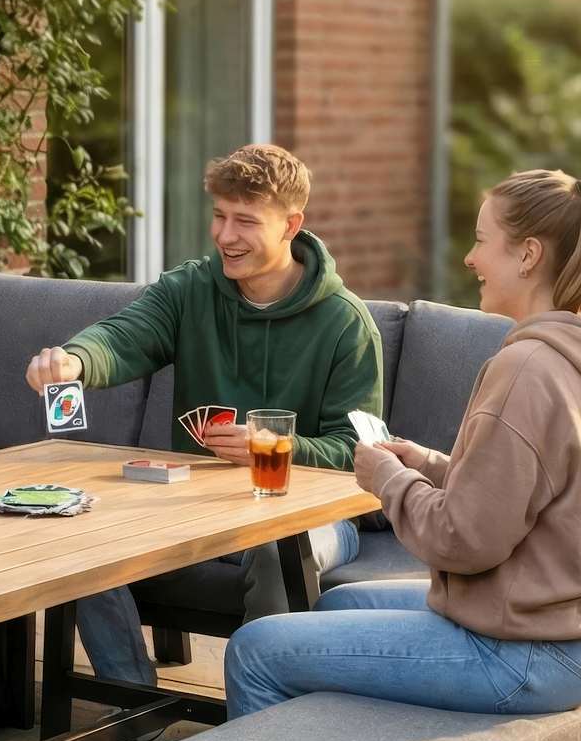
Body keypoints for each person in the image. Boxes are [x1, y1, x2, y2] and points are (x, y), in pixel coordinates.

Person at [151, 168, 581, 741]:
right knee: (335, 614)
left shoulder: (527, 367)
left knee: (258, 650)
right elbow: (530, 487)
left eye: (483, 241)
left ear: (528, 254)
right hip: (577, 641)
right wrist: (430, 460)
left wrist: (384, 476)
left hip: (521, 653)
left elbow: (463, 541)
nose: (471, 259)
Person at [24, 144, 383, 686]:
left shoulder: (346, 324)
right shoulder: (190, 289)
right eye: (219, 215)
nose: (225, 235)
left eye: (245, 221)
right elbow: (124, 337)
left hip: (312, 516)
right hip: (193, 503)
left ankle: (257, 726)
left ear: (291, 225)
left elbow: (358, 452)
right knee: (78, 531)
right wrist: (74, 360)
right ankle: (135, 714)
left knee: (277, 548)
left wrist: (277, 447)